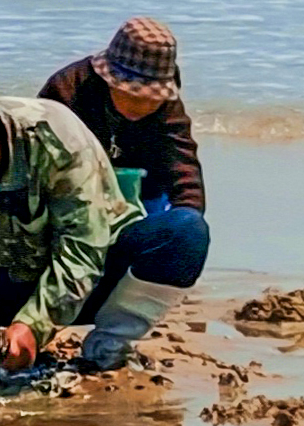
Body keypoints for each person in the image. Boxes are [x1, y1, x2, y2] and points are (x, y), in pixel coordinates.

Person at [0, 74, 198, 374]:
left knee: (184, 233)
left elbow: (82, 250)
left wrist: (32, 327)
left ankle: (107, 349)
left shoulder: (55, 136)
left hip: (81, 279)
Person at [38, 18, 209, 348]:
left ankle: (114, 337)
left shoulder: (168, 108)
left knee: (187, 227)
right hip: (66, 212)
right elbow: (32, 166)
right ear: (107, 78)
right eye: (132, 94)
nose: (142, 104)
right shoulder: (67, 90)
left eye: (152, 97)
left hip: (137, 205)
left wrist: (181, 250)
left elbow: (184, 171)